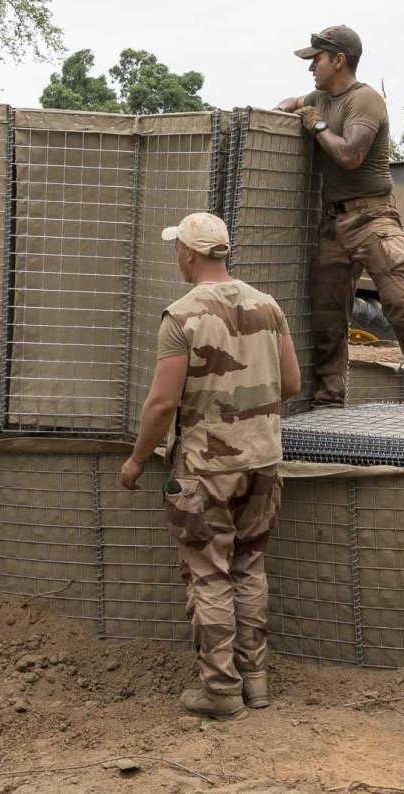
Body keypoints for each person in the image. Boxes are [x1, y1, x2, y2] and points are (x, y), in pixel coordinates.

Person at [121, 212, 300, 721]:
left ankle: (221, 691)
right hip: (263, 461)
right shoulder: (268, 306)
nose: (176, 254)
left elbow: (161, 404)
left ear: (189, 254)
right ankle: (256, 681)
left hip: (206, 468)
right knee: (249, 566)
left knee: (210, 575)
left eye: (177, 247)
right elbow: (291, 383)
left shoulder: (182, 316)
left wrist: (137, 460)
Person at [275, 25, 404, 421]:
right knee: (326, 316)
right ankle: (328, 400)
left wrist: (315, 123)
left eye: (316, 60)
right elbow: (295, 102)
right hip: (333, 224)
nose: (311, 69)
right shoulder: (319, 98)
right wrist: (284, 110)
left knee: (400, 303)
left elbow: (351, 155)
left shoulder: (365, 100)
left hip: (373, 218)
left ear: (339, 60)